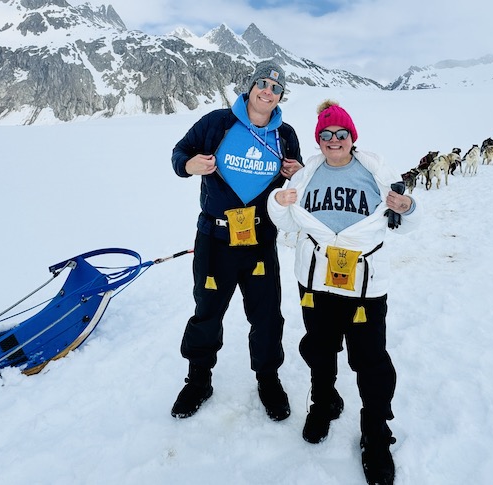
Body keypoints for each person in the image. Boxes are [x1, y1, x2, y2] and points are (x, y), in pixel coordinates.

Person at [267, 100, 418, 485]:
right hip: (316, 280)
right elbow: (283, 219)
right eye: (326, 135)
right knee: (319, 346)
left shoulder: (377, 172)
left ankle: (376, 432)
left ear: (352, 137)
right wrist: (277, 201)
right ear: (318, 140)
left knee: (370, 358)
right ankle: (325, 402)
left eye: (341, 134)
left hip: (365, 283)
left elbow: (408, 219)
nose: (334, 140)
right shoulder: (307, 175)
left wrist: (410, 206)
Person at [170, 60, 303, 422]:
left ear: (280, 96)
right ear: (250, 85)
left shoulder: (285, 134)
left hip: (260, 238)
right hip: (215, 237)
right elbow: (179, 154)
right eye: (262, 83)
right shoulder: (218, 122)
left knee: (266, 315)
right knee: (207, 312)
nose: (267, 91)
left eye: (276, 88)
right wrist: (189, 166)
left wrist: (297, 173)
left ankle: (268, 379)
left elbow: (296, 184)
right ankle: (199, 379)